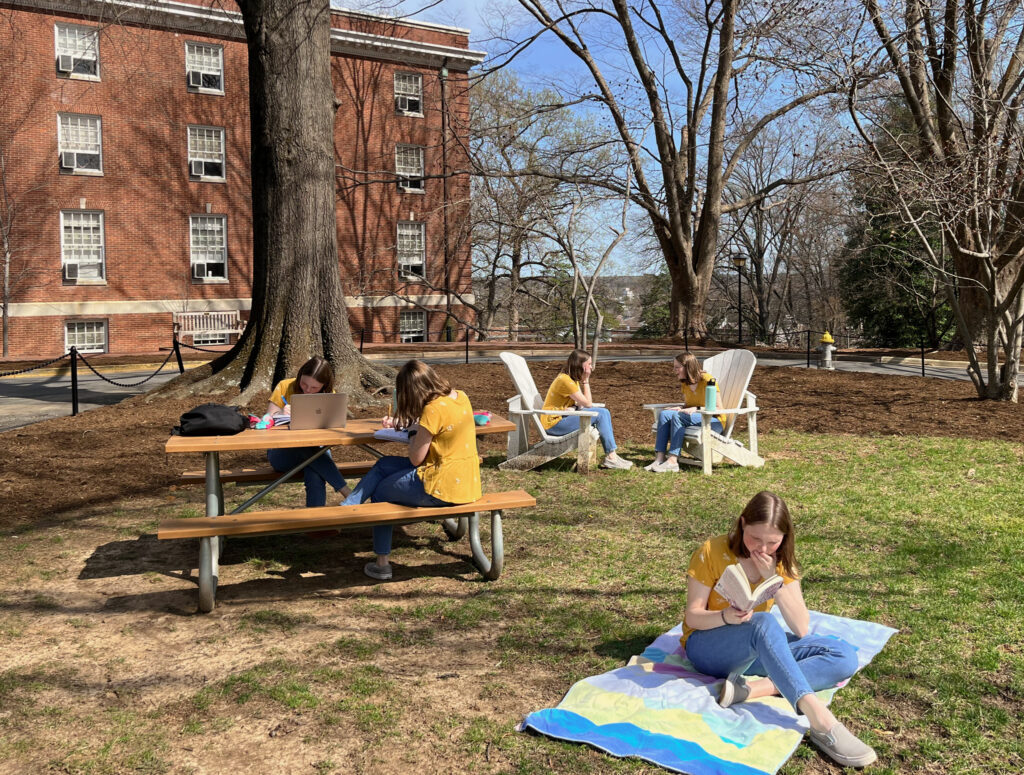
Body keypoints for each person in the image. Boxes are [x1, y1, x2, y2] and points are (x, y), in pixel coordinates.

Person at [683, 491, 877, 769]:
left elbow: (801, 627)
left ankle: (751, 690)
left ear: (784, 538)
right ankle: (820, 720)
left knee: (842, 654)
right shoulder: (712, 551)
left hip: (753, 647)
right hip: (706, 646)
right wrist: (726, 616)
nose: (761, 549)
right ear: (741, 525)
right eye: (754, 538)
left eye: (772, 542)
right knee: (763, 623)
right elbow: (693, 616)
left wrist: (773, 579)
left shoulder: (781, 563)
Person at [342, 360, 481, 581]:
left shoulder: (432, 410)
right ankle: (349, 506)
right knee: (384, 464)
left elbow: (416, 459)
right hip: (468, 481)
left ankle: (382, 564)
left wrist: (413, 432)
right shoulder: (461, 397)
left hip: (439, 487)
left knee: (379, 492)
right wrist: (417, 427)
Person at [266, 356, 351, 507]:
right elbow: (266, 421)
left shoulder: (329, 394)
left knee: (315, 470)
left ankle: (316, 525)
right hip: (281, 454)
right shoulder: (285, 386)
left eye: (314, 388)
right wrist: (279, 415)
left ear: (324, 386)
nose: (307, 390)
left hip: (315, 450)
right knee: (313, 453)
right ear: (300, 376)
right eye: (304, 384)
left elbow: (334, 428)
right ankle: (348, 493)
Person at [540, 349, 632, 470]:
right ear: (579, 364)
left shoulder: (571, 379)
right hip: (554, 424)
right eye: (588, 364)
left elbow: (582, 404)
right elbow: (588, 404)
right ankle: (611, 457)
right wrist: (586, 381)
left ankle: (612, 455)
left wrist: (573, 407)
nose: (591, 367)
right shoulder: (565, 380)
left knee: (604, 412)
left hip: (561, 418)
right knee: (602, 413)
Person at [644, 353, 725, 472]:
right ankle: (660, 459)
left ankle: (672, 461)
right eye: (674, 367)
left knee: (678, 417)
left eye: (677, 367)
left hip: (713, 422)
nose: (674, 370)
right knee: (665, 414)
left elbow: (719, 408)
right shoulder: (685, 383)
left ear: (688, 367)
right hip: (696, 418)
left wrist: (696, 408)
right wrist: (680, 407)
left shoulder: (707, 380)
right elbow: (689, 406)